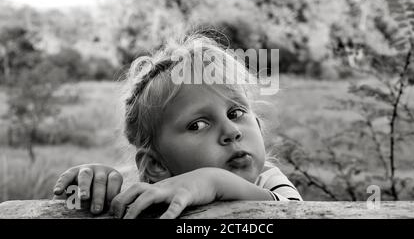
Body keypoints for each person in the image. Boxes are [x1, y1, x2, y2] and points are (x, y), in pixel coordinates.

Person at [53, 32, 302, 219]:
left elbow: (296, 211)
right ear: (156, 165)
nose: (231, 131)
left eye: (236, 112)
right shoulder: (151, 197)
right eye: (198, 124)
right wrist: (97, 189)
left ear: (257, 126)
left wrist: (212, 181)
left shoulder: (267, 179)